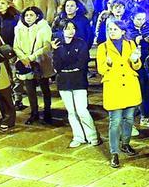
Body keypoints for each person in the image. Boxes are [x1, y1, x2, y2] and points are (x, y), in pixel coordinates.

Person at [97, 19, 142, 169]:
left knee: (129, 119)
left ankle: (125, 144)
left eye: (115, 29)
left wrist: (135, 60)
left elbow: (137, 66)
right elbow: (101, 70)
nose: (112, 31)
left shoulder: (131, 44)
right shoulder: (103, 47)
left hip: (129, 87)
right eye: (110, 29)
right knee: (115, 122)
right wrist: (108, 64)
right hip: (114, 88)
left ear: (123, 31)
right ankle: (114, 153)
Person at [51, 19, 98, 147]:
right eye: (67, 28)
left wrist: (68, 67)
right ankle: (78, 136)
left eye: (73, 28)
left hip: (78, 80)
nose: (71, 31)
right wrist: (55, 51)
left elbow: (82, 62)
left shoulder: (80, 43)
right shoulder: (57, 46)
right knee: (71, 111)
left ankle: (92, 135)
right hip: (64, 81)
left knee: (82, 110)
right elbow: (57, 66)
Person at [13, 6, 55, 124]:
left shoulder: (44, 27)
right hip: (25, 63)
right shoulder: (19, 28)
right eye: (26, 15)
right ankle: (34, 112)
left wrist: (31, 57)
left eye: (31, 15)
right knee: (30, 89)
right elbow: (16, 46)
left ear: (37, 16)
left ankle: (47, 112)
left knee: (44, 88)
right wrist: (23, 58)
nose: (28, 17)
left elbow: (46, 46)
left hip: (41, 61)